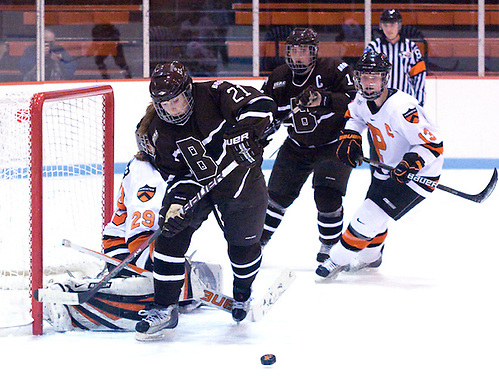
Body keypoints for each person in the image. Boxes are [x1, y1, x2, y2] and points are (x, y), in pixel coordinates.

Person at [43, 108, 222, 332]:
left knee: (178, 281)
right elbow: (139, 241)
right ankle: (67, 296)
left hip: (149, 246)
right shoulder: (146, 173)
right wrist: (169, 269)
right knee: (166, 285)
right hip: (125, 251)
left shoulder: (167, 168)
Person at [134, 61, 276, 341]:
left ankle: (242, 293)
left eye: (176, 101)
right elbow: (176, 175)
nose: (172, 109)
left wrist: (246, 133)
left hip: (240, 176)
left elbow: (263, 104)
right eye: (165, 104)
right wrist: (176, 203)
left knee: (244, 246)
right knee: (170, 233)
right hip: (195, 183)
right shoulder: (157, 132)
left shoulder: (215, 93)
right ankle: (164, 308)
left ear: (188, 92)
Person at [315, 51, 443, 279]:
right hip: (386, 169)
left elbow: (433, 144)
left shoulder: (402, 108)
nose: (369, 82)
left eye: (374, 77)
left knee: (368, 216)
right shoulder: (363, 100)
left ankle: (336, 260)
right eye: (364, 77)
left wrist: (412, 162)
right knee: (375, 217)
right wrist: (351, 137)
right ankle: (370, 258)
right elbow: (354, 116)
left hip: (417, 176)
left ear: (385, 79)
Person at [260, 27, 356, 263]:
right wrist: (259, 131)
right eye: (293, 50)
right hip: (296, 146)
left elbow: (356, 100)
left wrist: (325, 99)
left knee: (327, 197)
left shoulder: (334, 69)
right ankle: (256, 243)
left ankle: (331, 248)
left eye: (303, 51)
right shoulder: (279, 77)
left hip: (333, 144)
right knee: (275, 198)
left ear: (314, 52)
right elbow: (264, 110)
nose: (297, 56)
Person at [365, 9, 426, 106]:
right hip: (380, 104)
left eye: (392, 25)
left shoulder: (411, 47)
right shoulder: (373, 47)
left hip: (404, 103)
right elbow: (366, 76)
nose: (389, 29)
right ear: (381, 26)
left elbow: (419, 77)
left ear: (399, 26)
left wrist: (419, 104)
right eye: (386, 25)